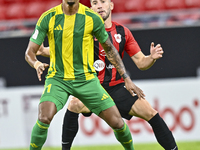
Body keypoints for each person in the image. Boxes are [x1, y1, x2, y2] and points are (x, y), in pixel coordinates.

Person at [38, 0, 178, 150]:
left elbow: (141, 62)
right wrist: (40, 50)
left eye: (103, 1)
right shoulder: (82, 31)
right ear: (90, 8)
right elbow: (58, 51)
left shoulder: (123, 32)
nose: (99, 6)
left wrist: (151, 58)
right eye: (94, 2)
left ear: (111, 5)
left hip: (116, 88)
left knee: (151, 112)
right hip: (91, 87)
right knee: (74, 104)